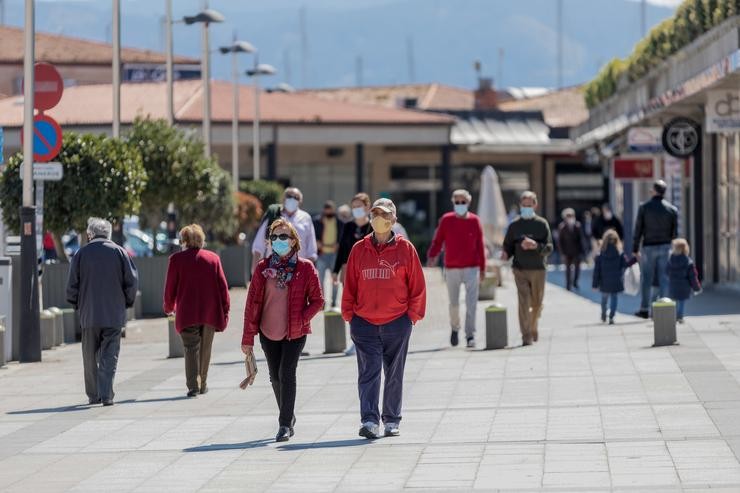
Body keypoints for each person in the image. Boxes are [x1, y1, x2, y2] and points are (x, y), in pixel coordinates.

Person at [342, 198, 426, 439]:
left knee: (394, 373)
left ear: (394, 220)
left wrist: (412, 316)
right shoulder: (359, 249)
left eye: (385, 214)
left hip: (397, 322)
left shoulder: (406, 249)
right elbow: (351, 285)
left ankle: (391, 420)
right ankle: (369, 420)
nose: (380, 219)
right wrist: (349, 314)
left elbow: (417, 286)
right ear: (370, 218)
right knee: (368, 373)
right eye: (376, 214)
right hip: (364, 323)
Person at [242, 219, 324, 442]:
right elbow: (252, 307)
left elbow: (318, 300)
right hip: (268, 332)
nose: (279, 240)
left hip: (294, 332)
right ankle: (288, 414)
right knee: (274, 377)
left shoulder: (305, 268)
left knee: (286, 373)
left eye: (284, 236)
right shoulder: (262, 269)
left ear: (294, 241)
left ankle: (284, 424)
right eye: (275, 237)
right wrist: (247, 338)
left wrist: (302, 317)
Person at [66, 218, 138, 406]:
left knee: (89, 356)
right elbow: (131, 282)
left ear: (90, 234)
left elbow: (72, 285)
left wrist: (76, 305)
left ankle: (93, 395)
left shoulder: (80, 254)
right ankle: (106, 395)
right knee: (109, 355)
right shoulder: (120, 253)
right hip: (113, 314)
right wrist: (127, 303)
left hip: (89, 314)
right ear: (108, 234)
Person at [163, 224, 230, 397]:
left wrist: (169, 307)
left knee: (191, 348)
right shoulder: (213, 258)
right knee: (206, 349)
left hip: (187, 313)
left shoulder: (176, 260)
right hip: (210, 313)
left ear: (184, 241)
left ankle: (193, 386)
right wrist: (225, 310)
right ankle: (203, 383)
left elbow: (170, 288)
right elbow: (223, 288)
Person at [427, 189, 486, 348]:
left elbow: (480, 245)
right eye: (457, 202)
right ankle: (454, 328)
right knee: (454, 303)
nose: (460, 205)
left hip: (471, 267)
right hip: (452, 267)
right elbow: (438, 240)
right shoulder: (446, 220)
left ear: (468, 203)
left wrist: (483, 268)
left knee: (471, 302)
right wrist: (432, 256)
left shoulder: (475, 221)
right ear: (453, 203)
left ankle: (470, 335)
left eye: (463, 202)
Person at [502, 191, 553, 346]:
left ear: (535, 205)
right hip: (520, 269)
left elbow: (550, 247)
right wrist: (505, 254)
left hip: (538, 269)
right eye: (524, 206)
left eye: (529, 206)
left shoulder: (542, 224)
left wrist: (535, 245)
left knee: (537, 303)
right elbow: (508, 246)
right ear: (520, 206)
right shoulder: (514, 226)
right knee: (523, 302)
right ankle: (526, 336)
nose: (526, 208)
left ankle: (533, 326)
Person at [333, 193, 373, 357]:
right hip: (348, 270)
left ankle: (368, 339)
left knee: (366, 304)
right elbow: (342, 249)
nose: (356, 209)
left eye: (360, 206)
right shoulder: (348, 226)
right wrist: (335, 271)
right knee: (351, 305)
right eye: (354, 206)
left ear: (367, 207)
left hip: (367, 271)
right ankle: (355, 341)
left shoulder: (372, 227)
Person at [632, 180, 678, 318]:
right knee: (664, 277)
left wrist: (635, 249)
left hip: (648, 246)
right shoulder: (672, 210)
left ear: (654, 190)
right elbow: (674, 233)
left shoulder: (644, 207)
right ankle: (664, 308)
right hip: (665, 246)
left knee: (647, 278)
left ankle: (645, 309)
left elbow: (638, 229)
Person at [251, 187, 318, 273]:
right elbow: (258, 245)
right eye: (289, 196)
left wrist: (308, 271)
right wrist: (254, 270)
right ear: (283, 198)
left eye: (296, 197)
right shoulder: (273, 214)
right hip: (274, 269)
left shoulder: (306, 218)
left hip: (298, 270)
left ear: (300, 201)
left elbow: (311, 249)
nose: (292, 199)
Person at [592, 229, 637, 324]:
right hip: (616, 281)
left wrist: (594, 284)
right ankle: (611, 316)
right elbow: (626, 264)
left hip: (604, 282)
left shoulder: (600, 255)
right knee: (614, 299)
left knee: (604, 299)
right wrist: (635, 259)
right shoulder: (620, 254)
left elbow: (597, 271)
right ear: (617, 240)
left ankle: (604, 314)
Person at [313, 200, 343, 308]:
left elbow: (342, 236)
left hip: (334, 254)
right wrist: (317, 242)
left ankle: (334, 302)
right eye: (326, 209)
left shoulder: (339, 222)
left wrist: (339, 243)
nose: (328, 212)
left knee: (335, 279)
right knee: (320, 280)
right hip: (322, 254)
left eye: (330, 209)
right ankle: (322, 302)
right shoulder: (318, 221)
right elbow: (313, 235)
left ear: (333, 210)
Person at [667, 238, 701, 323]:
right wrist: (697, 288)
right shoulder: (688, 261)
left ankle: (674, 316)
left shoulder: (670, 260)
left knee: (674, 302)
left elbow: (666, 271)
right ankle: (680, 317)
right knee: (681, 302)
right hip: (684, 286)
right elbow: (693, 276)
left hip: (673, 285)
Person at [557, 208, 585, 291]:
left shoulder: (578, 226)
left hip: (577, 251)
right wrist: (562, 252)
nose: (570, 218)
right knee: (568, 269)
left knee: (577, 268)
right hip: (567, 251)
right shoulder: (562, 227)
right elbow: (560, 241)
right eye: (568, 216)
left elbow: (581, 239)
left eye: (572, 216)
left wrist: (583, 251)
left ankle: (575, 282)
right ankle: (568, 285)